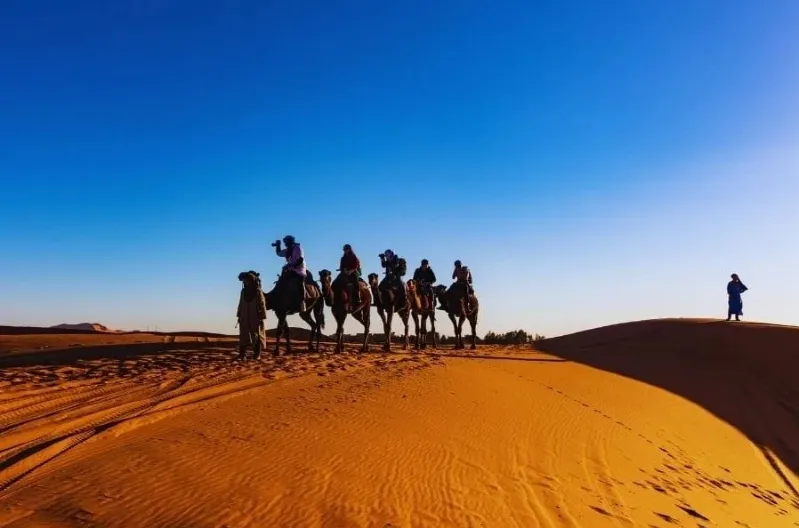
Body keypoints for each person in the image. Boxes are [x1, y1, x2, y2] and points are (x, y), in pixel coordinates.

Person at [237, 271, 267, 360]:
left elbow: (262, 304)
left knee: (257, 335)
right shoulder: (243, 291)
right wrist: (239, 315)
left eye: (246, 280)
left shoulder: (257, 291)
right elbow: (240, 303)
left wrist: (262, 317)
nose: (245, 282)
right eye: (244, 281)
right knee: (244, 335)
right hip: (244, 315)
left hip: (255, 316)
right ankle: (242, 355)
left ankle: (257, 354)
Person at [272, 235, 307, 311]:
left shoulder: (297, 248)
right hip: (290, 269)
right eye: (284, 242)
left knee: (300, 283)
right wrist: (278, 245)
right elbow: (279, 253)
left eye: (286, 242)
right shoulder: (288, 250)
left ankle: (302, 302)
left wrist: (291, 266)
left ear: (290, 241)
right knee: (281, 281)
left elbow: (300, 259)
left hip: (299, 269)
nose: (285, 244)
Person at [339, 244, 363, 308]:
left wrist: (350, 271)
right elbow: (341, 267)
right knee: (338, 280)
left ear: (349, 249)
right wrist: (344, 270)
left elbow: (355, 266)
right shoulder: (343, 258)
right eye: (344, 249)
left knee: (355, 282)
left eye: (346, 249)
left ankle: (358, 297)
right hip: (345, 272)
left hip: (353, 272)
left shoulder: (354, 257)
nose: (345, 251)